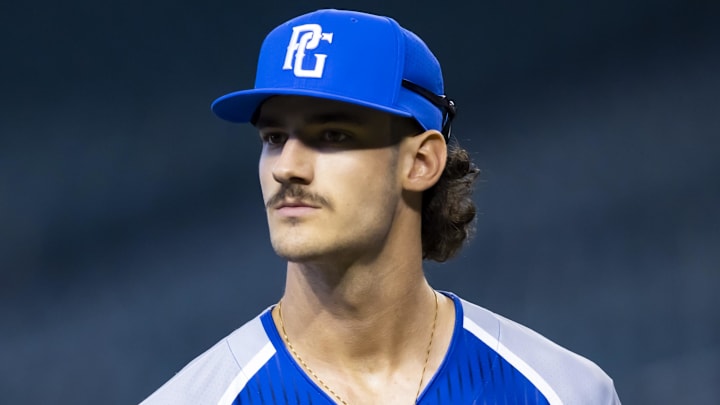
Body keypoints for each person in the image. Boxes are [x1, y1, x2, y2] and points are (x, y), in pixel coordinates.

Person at [141, 9, 620, 405]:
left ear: (420, 162)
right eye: (273, 136)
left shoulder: (564, 391)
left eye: (333, 135)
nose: (288, 167)